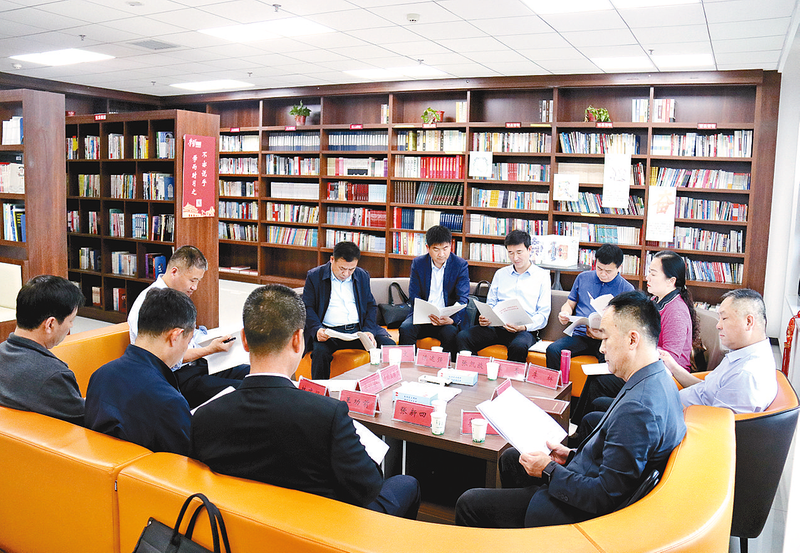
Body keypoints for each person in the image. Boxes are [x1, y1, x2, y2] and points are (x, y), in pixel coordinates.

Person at [455, 291, 686, 528]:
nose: (602, 348)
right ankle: (518, 536)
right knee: (513, 458)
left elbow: (604, 496)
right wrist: (570, 456)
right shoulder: (658, 379)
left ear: (632, 340)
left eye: (606, 338)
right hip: (584, 478)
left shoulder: (638, 410)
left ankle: (528, 531)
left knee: (469, 503)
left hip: (576, 510)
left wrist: (549, 470)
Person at [191, 284, 420, 518]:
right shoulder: (327, 416)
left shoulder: (205, 415)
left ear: (244, 340)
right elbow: (368, 488)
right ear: (297, 340)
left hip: (239, 526)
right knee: (406, 484)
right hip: (322, 526)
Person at [574, 250, 698, 424]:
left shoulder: (676, 311)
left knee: (600, 381)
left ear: (671, 281)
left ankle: (588, 428)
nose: (647, 277)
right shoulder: (656, 301)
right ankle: (580, 426)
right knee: (596, 376)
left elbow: (671, 358)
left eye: (653, 274)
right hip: (644, 365)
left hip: (664, 376)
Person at [128, 245, 248, 408]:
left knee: (253, 375)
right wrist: (210, 349)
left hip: (198, 364)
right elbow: (162, 357)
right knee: (243, 390)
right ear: (174, 272)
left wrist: (212, 339)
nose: (195, 287)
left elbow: (189, 336)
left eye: (198, 281)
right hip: (177, 376)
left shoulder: (177, 296)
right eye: (192, 280)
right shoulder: (151, 303)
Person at [86, 288, 195, 455]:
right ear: (175, 336)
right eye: (188, 340)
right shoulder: (169, 402)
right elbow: (187, 461)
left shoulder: (99, 375)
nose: (186, 347)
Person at [664, 288, 777, 413]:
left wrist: (669, 403)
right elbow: (707, 391)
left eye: (724, 318)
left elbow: (716, 422)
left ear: (748, 322)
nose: (718, 326)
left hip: (677, 417)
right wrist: (672, 366)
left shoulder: (744, 375)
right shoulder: (743, 353)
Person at [303, 241, 395, 379]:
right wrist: (317, 329)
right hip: (329, 333)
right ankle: (321, 391)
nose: (346, 273)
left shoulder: (362, 275)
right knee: (320, 353)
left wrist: (368, 330)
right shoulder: (315, 276)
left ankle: (389, 384)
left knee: (389, 346)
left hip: (358, 332)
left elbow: (371, 305)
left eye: (351, 269)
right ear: (332, 259)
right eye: (342, 268)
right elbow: (307, 307)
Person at [0, 275, 85, 425]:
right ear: (50, 324)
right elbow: (86, 420)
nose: (71, 326)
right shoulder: (54, 375)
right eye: (71, 320)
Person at [454, 230, 550, 362]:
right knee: (463, 337)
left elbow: (543, 314)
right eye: (510, 253)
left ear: (529, 249)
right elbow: (491, 304)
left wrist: (523, 327)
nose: (515, 258)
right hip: (498, 327)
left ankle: (509, 376)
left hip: (524, 330)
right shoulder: (501, 274)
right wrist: (486, 317)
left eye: (519, 252)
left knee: (518, 346)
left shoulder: (542, 276)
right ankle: (475, 370)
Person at [545, 244, 633, 371]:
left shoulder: (627, 289)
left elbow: (627, 325)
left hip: (607, 340)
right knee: (553, 350)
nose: (603, 274)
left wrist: (604, 335)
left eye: (608, 271)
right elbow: (569, 304)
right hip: (581, 335)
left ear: (619, 268)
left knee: (609, 363)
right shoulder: (583, 278)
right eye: (599, 268)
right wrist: (565, 313)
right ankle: (559, 384)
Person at [399, 225, 470, 358]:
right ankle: (408, 366)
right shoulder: (418, 263)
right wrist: (423, 312)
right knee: (405, 329)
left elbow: (463, 298)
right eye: (436, 249)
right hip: (423, 316)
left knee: (451, 334)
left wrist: (452, 319)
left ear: (451, 246)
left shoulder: (460, 265)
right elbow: (414, 295)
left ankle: (446, 368)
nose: (441, 254)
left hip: (446, 318)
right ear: (428, 248)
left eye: (445, 248)